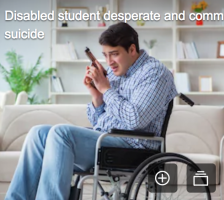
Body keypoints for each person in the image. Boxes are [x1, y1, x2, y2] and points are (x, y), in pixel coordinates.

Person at [5, 22, 178, 200]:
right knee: (38, 133)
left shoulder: (154, 72)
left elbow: (136, 119)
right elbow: (98, 123)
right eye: (105, 55)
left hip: (134, 148)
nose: (109, 62)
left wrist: (106, 90)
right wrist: (97, 96)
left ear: (132, 50)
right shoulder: (116, 73)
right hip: (107, 140)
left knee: (61, 133)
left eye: (114, 54)